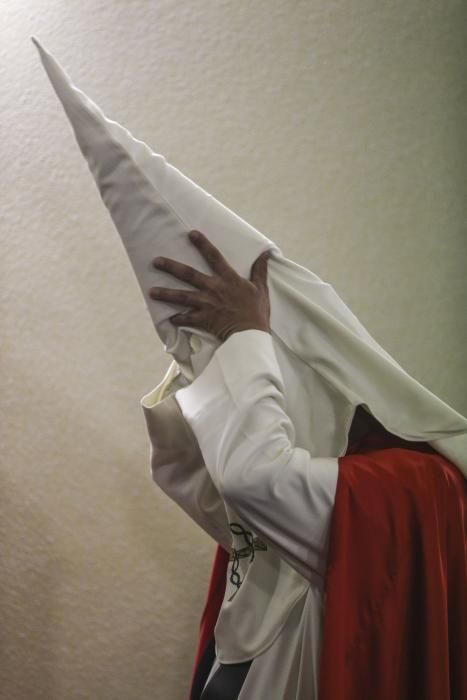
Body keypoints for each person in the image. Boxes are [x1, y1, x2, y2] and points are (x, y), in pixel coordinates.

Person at [32, 36, 467, 699]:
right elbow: (200, 489)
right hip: (233, 660)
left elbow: (253, 478)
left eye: (258, 346)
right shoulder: (305, 467)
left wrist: (242, 339)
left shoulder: (397, 481)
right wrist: (198, 360)